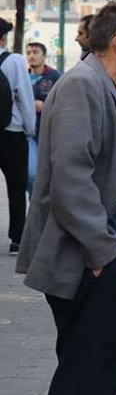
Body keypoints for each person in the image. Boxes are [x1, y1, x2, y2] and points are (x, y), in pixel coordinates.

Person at [16, 0, 116, 395]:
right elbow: (71, 179)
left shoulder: (111, 88)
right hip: (91, 262)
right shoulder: (83, 84)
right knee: (86, 378)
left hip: (109, 258)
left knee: (101, 372)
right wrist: (102, 253)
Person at [0, 21, 36, 255]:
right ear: (4, 38)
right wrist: (30, 128)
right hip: (11, 132)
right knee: (16, 186)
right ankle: (17, 238)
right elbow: (23, 95)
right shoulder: (14, 61)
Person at [26, 42, 60, 202]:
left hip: (50, 134)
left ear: (44, 56)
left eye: (35, 52)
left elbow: (64, 104)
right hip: (28, 134)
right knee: (32, 174)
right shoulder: (23, 76)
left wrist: (44, 106)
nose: (31, 55)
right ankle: (34, 205)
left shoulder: (55, 76)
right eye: (29, 52)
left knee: (50, 177)